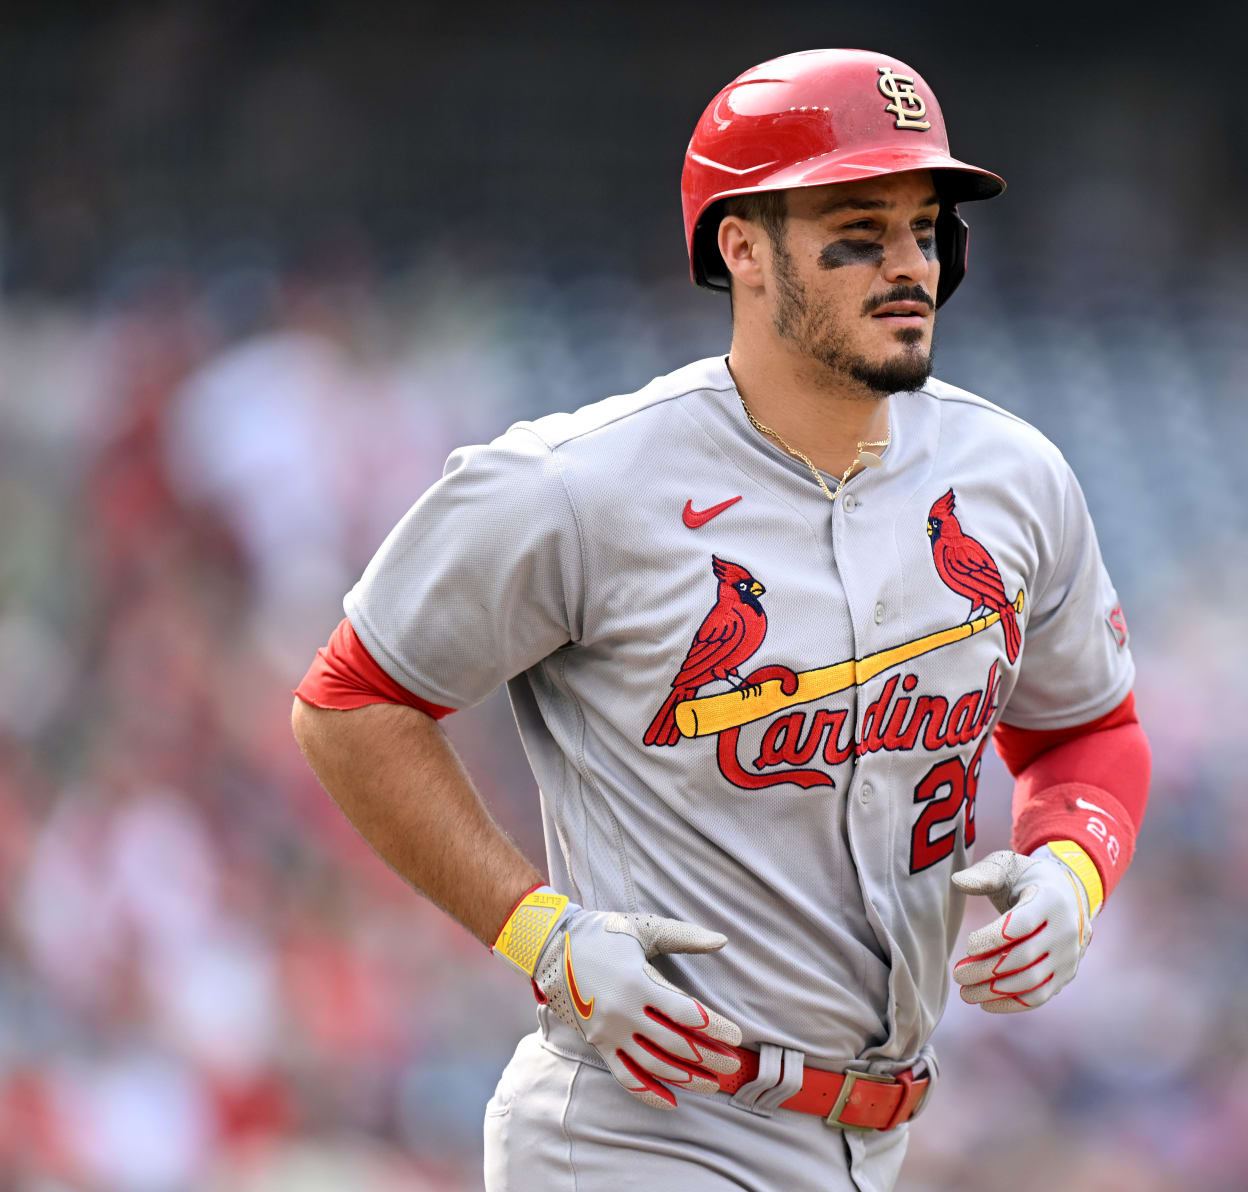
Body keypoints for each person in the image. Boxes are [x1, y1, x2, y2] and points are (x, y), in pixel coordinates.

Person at [290, 48, 1151, 1192]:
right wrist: (536, 929)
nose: (907, 266)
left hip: (872, 1139)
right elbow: (351, 703)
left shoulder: (1015, 476)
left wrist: (1070, 872)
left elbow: (1087, 729)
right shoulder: (580, 484)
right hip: (644, 1130)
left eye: (924, 227)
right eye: (857, 230)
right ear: (741, 247)